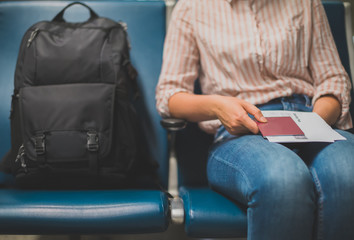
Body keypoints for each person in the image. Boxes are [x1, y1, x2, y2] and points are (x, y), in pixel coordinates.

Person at [156, 0, 354, 239]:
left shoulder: (305, 3)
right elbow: (169, 97)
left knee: (347, 172)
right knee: (282, 179)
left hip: (312, 117)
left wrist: (312, 124)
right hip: (240, 132)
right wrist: (218, 106)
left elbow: (333, 79)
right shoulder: (192, 8)